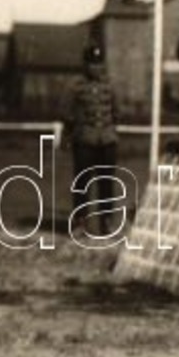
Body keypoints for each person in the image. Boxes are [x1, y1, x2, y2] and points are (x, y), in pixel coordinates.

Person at [68, 43, 120, 237]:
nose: (95, 68)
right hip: (84, 141)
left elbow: (116, 112)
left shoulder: (110, 86)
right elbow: (67, 113)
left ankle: (106, 223)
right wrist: (72, 134)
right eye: (92, 64)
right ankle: (81, 222)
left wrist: (111, 133)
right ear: (85, 65)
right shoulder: (76, 87)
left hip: (107, 141)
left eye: (99, 64)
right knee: (82, 183)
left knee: (106, 183)